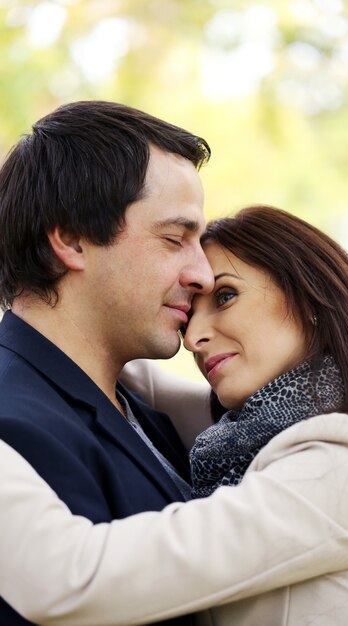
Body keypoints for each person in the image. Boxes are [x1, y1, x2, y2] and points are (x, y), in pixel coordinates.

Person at [1, 205, 348, 626]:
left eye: (225, 296)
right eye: (189, 319)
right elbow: (108, 359)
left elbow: (74, 577)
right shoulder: (266, 426)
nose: (195, 339)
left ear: (310, 296)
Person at [0, 100, 214, 625]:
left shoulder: (131, 400)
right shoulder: (16, 427)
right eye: (174, 239)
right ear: (71, 239)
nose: (204, 275)